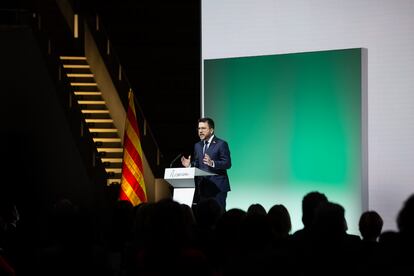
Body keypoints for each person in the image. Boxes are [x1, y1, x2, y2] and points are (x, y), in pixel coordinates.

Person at [181, 117, 232, 211]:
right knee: (204, 217)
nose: (200, 131)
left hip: (218, 187)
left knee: (218, 215)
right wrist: (189, 165)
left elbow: (227, 163)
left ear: (211, 130)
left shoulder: (221, 144)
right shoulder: (198, 145)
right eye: (199, 128)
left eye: (203, 128)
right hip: (203, 187)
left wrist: (212, 163)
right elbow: (198, 163)